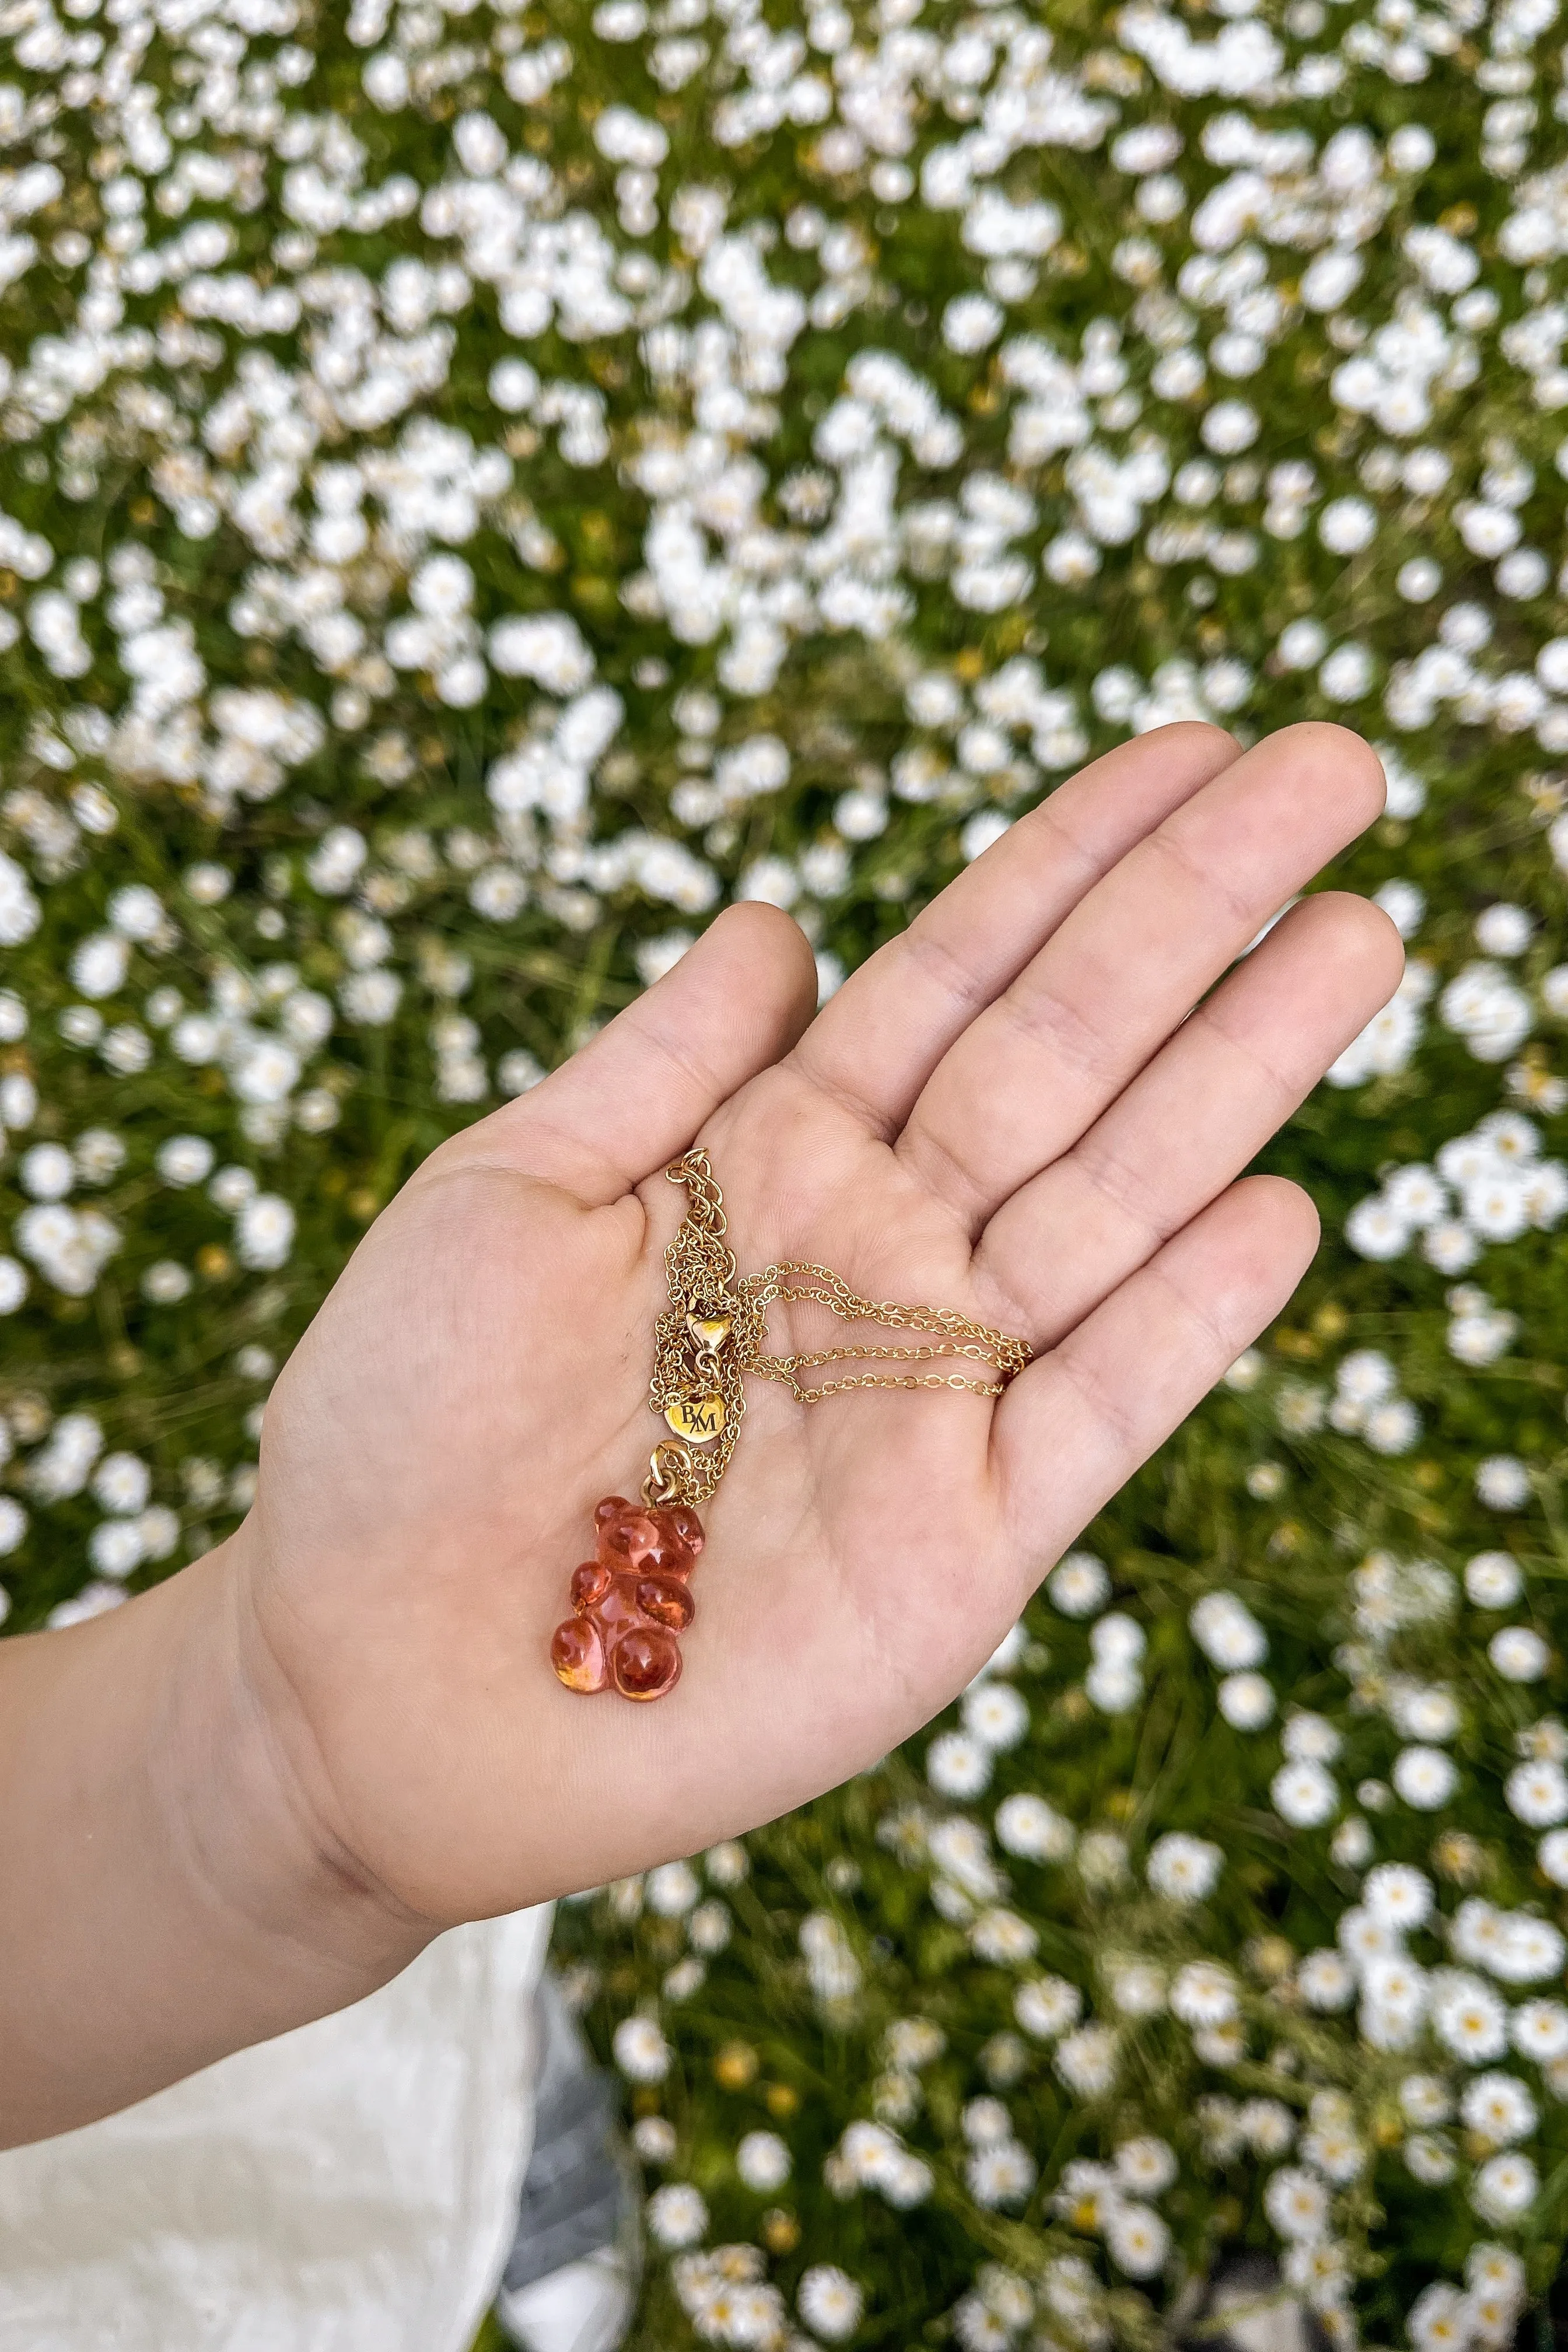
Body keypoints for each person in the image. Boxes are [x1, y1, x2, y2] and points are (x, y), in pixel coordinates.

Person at [0, 722, 1400, 2336]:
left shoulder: (683, 1437)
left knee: (268, 2058)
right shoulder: (687, 1444)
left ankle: (390, 2098)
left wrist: (269, 1770)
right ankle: (416, 2164)